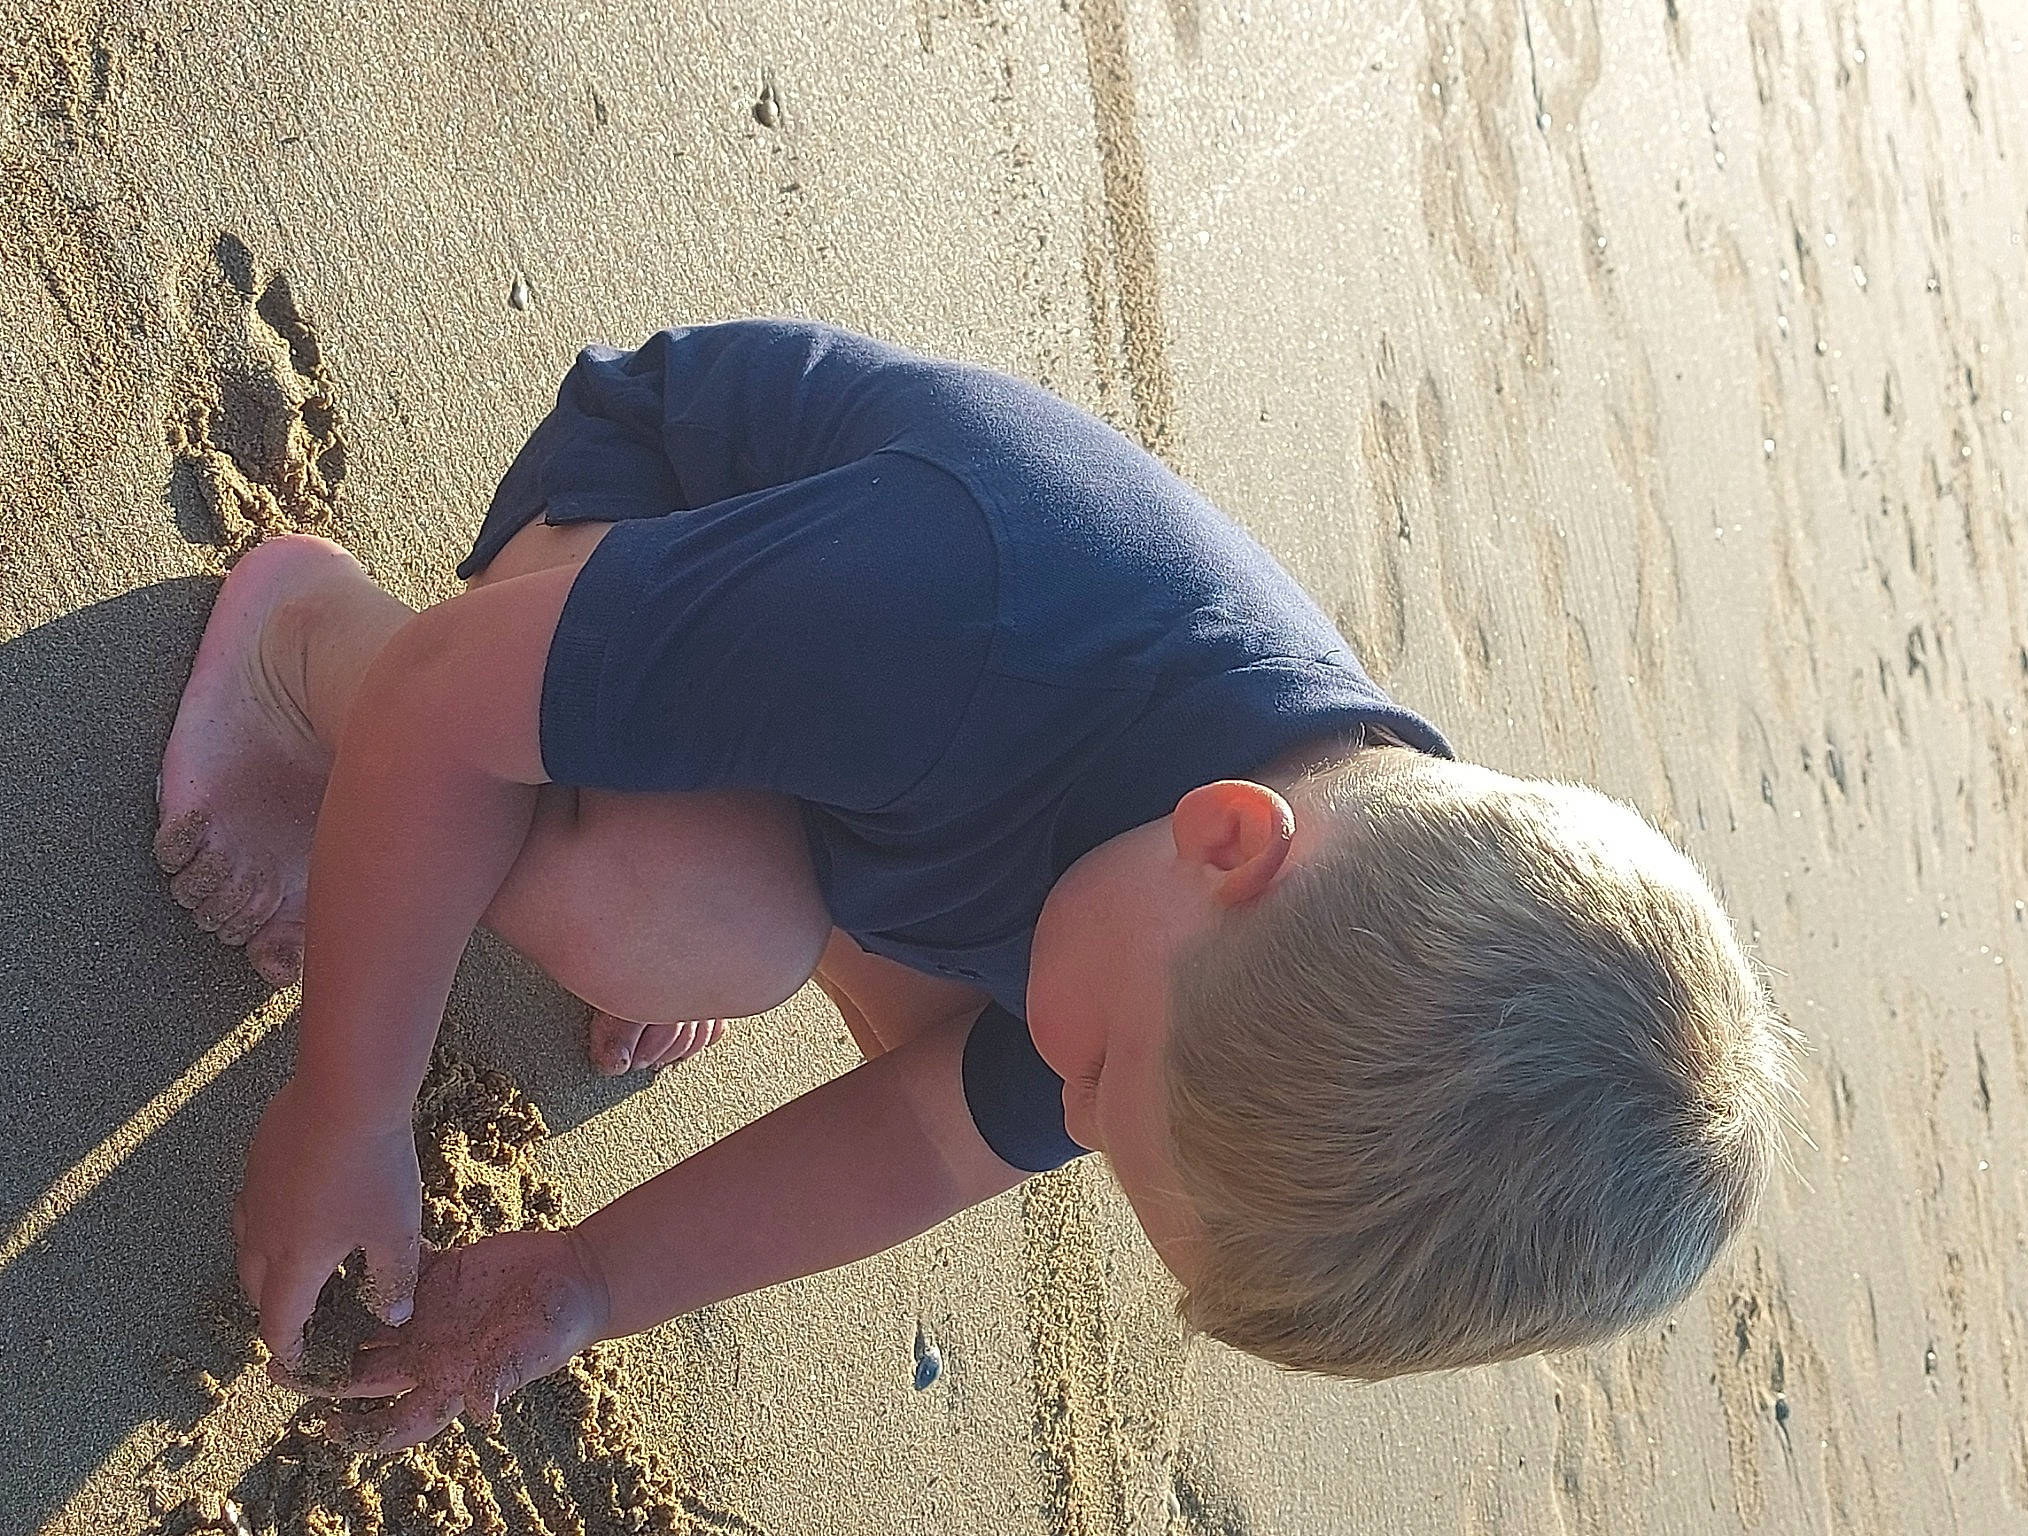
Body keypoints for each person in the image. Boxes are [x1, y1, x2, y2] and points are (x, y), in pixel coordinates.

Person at [155, 320, 1793, 1452]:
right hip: (670, 525)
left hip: (912, 787)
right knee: (681, 920)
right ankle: (311, 652)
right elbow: (455, 697)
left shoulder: (1242, 956)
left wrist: (590, 1279)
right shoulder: (965, 613)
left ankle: (681, 840)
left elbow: (924, 1143)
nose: (1060, 1110)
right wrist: (348, 1106)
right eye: (1097, 1082)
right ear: (1227, 842)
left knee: (895, 997)